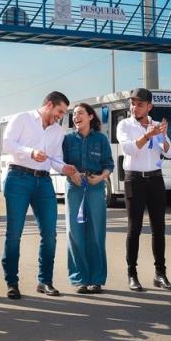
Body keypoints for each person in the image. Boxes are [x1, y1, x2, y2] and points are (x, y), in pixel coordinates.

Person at [1, 91, 79, 299]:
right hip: (18, 178)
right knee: (14, 233)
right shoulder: (22, 118)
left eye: (63, 113)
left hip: (44, 181)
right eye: (59, 111)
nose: (61, 116)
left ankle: (45, 281)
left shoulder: (57, 131)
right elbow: (8, 143)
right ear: (49, 105)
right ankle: (12, 282)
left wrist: (65, 169)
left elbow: (55, 159)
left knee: (50, 233)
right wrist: (30, 153)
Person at [116, 87, 171, 292]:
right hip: (135, 180)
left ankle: (160, 274)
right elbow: (129, 149)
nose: (134, 107)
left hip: (156, 179)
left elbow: (169, 153)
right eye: (132, 103)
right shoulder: (124, 124)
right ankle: (132, 274)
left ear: (149, 106)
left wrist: (164, 138)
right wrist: (148, 136)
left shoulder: (157, 125)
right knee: (135, 229)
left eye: (139, 104)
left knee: (159, 228)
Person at [61, 102, 114, 294]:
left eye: (80, 113)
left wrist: (101, 177)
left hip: (95, 187)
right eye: (74, 114)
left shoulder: (100, 139)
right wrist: (71, 174)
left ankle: (96, 279)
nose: (76, 116)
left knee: (96, 233)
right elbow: (61, 163)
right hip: (74, 186)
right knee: (74, 233)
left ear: (90, 116)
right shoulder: (67, 139)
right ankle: (79, 279)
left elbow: (109, 164)